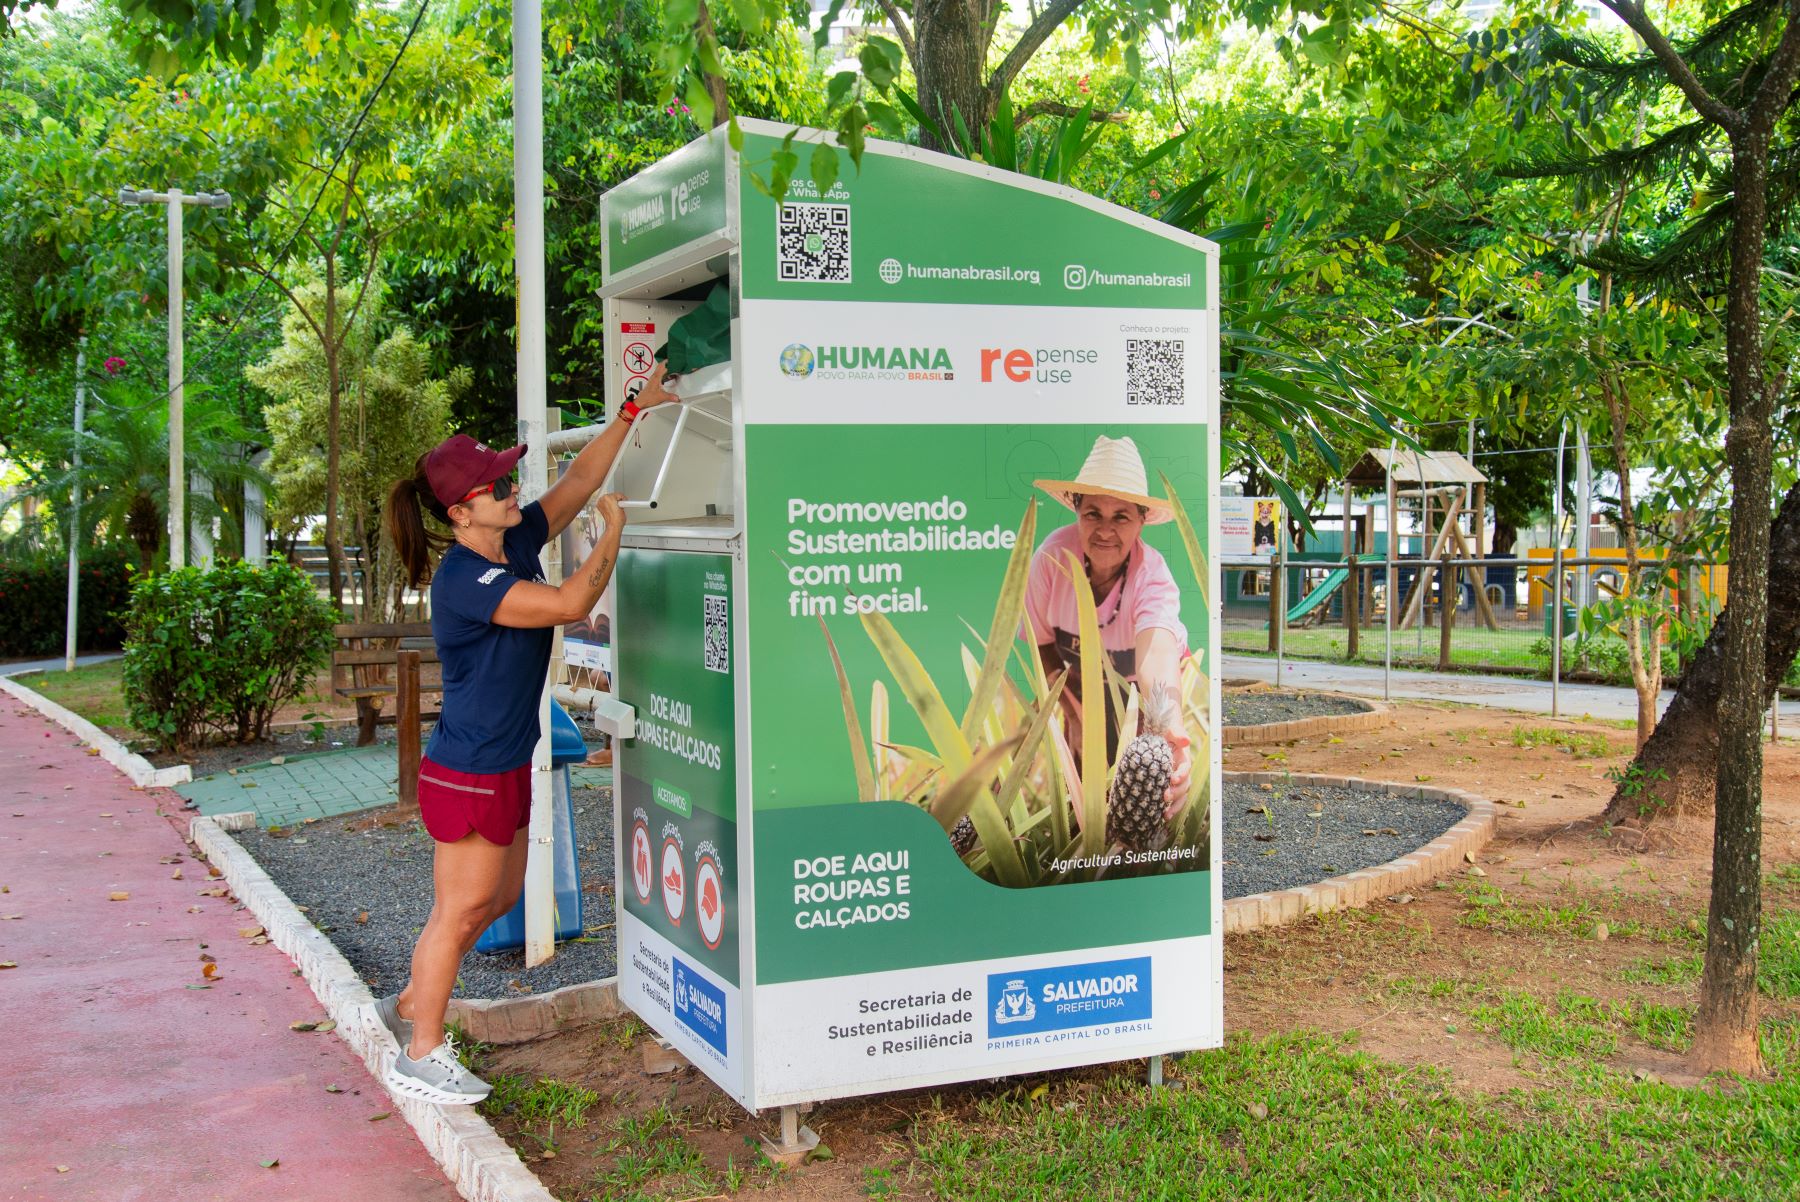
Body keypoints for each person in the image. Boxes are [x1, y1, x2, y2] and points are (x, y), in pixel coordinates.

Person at [375, 365, 676, 1105]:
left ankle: (415, 1001)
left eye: (508, 482)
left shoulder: (507, 544)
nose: (513, 492)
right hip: (469, 771)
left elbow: (575, 482)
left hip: (503, 763)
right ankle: (420, 1050)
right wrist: (615, 534)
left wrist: (632, 410)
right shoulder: (466, 583)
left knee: (498, 895)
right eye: (497, 488)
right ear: (461, 514)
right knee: (462, 910)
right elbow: (574, 599)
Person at [1026, 434, 1192, 821]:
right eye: (1093, 514)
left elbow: (1157, 657)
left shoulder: (1153, 578)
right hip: (1080, 682)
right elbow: (1041, 642)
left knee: (1140, 796)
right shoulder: (1052, 558)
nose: (1105, 530)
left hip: (1138, 691)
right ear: (1077, 513)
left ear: (1140, 522)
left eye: (1121, 517)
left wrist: (1169, 730)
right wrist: (1074, 714)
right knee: (1074, 786)